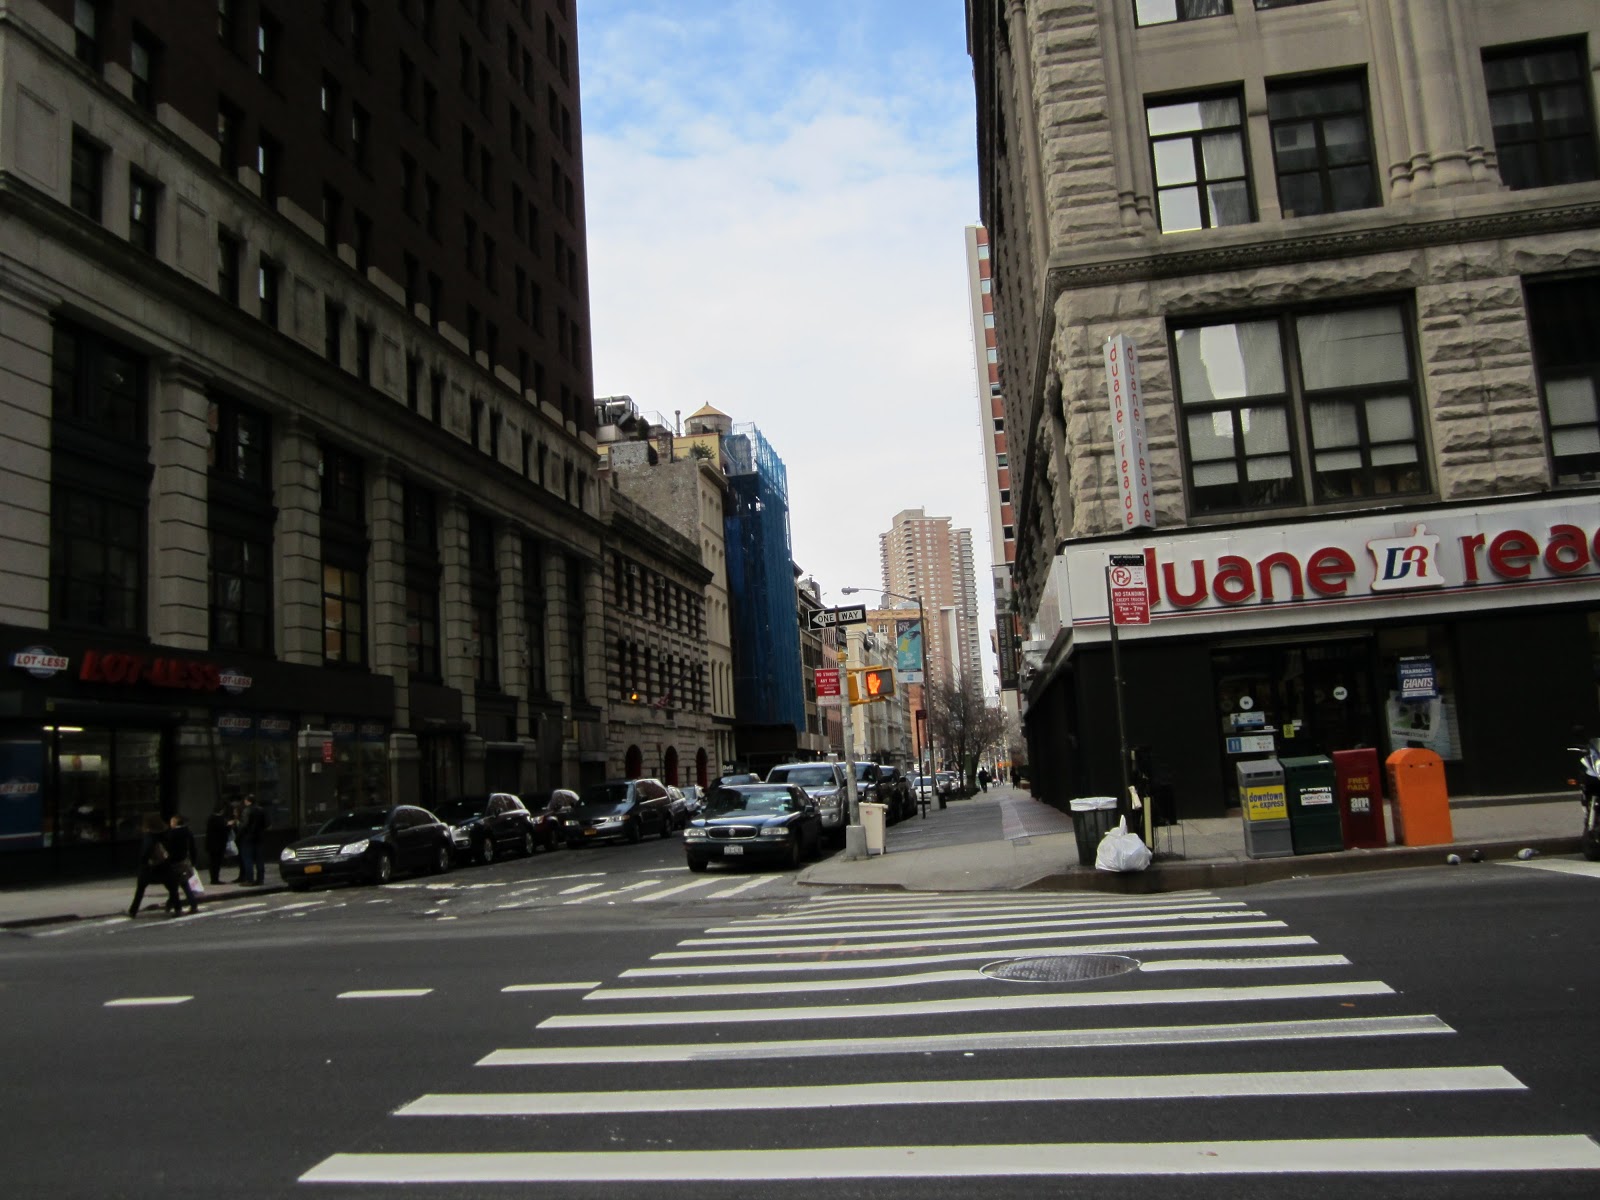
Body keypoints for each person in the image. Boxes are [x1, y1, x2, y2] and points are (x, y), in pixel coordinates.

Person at [128, 813, 186, 918]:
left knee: (140, 889)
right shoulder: (166, 834)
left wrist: (143, 863)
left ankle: (133, 910)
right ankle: (177, 908)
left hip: (150, 868)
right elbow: (172, 848)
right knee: (172, 888)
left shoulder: (149, 836)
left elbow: (145, 852)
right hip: (165, 866)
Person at [164, 814, 201, 914]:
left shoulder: (172, 834)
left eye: (172, 821)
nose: (170, 823)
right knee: (182, 884)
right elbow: (193, 848)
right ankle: (189, 905)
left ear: (176, 822)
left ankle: (177, 907)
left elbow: (168, 848)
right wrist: (193, 862)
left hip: (175, 862)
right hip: (185, 861)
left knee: (177, 886)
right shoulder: (188, 832)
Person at [237, 793, 267, 886]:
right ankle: (260, 879)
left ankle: (250, 879)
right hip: (260, 837)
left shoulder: (247, 811)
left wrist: (239, 833)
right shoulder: (261, 810)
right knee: (259, 859)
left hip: (248, 837)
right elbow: (267, 823)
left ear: (248, 801)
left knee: (248, 859)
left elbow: (244, 825)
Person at [205, 800, 232, 885]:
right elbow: (223, 831)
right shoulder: (219, 819)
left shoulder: (211, 818)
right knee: (216, 862)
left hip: (211, 844)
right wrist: (229, 826)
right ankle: (215, 879)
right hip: (218, 844)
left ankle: (213, 878)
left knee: (212, 862)